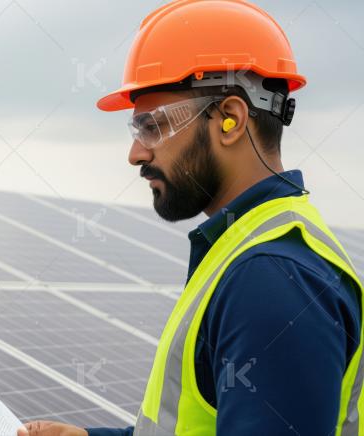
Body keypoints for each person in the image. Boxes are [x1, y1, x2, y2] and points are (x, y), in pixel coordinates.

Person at [19, 0, 364, 435]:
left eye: (152, 126)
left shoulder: (272, 279)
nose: (136, 153)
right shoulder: (249, 251)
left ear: (230, 120)